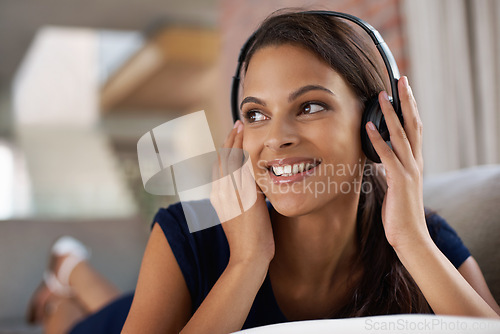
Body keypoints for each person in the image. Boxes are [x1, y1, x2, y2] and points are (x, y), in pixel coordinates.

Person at [28, 9, 500, 334]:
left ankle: (69, 271)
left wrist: (411, 241)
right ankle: (63, 282)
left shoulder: (423, 234)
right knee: (72, 323)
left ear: (378, 121)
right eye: (256, 114)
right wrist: (247, 261)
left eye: (310, 105)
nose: (276, 137)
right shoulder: (185, 232)